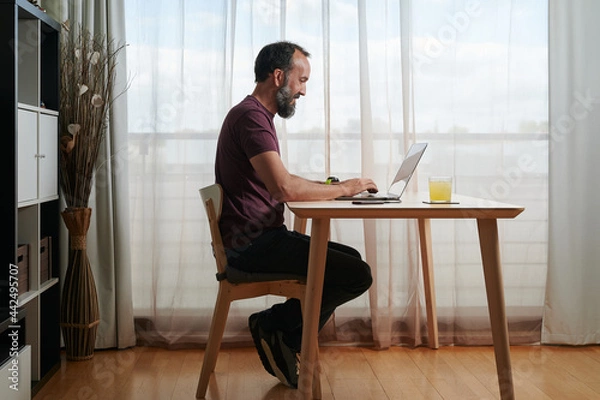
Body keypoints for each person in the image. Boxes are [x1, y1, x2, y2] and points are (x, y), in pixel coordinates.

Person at [214, 41, 377, 389]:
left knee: (349, 260)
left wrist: (325, 185)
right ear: (278, 77)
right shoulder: (252, 118)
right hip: (253, 246)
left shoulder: (254, 115)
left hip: (256, 239)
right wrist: (344, 189)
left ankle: (280, 330)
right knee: (356, 274)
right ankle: (276, 326)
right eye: (301, 81)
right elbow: (284, 189)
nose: (303, 91)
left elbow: (282, 180)